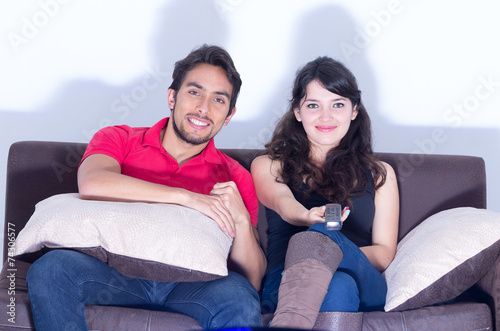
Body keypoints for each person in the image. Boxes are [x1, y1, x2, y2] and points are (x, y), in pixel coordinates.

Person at [26, 44, 267, 330]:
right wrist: (186, 198)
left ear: (229, 115)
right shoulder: (119, 138)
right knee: (52, 269)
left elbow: (252, 279)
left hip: (193, 287)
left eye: (218, 100)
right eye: (194, 92)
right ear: (172, 97)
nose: (203, 107)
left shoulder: (235, 175)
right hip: (112, 275)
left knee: (240, 299)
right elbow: (92, 183)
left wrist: (239, 219)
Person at [251, 56, 399, 329]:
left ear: (354, 110)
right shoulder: (268, 165)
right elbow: (283, 204)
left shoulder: (381, 174)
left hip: (363, 279)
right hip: (285, 280)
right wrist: (308, 218)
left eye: (338, 104)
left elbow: (385, 254)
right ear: (298, 111)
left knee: (322, 240)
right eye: (313, 105)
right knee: (337, 283)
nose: (326, 117)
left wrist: (326, 247)